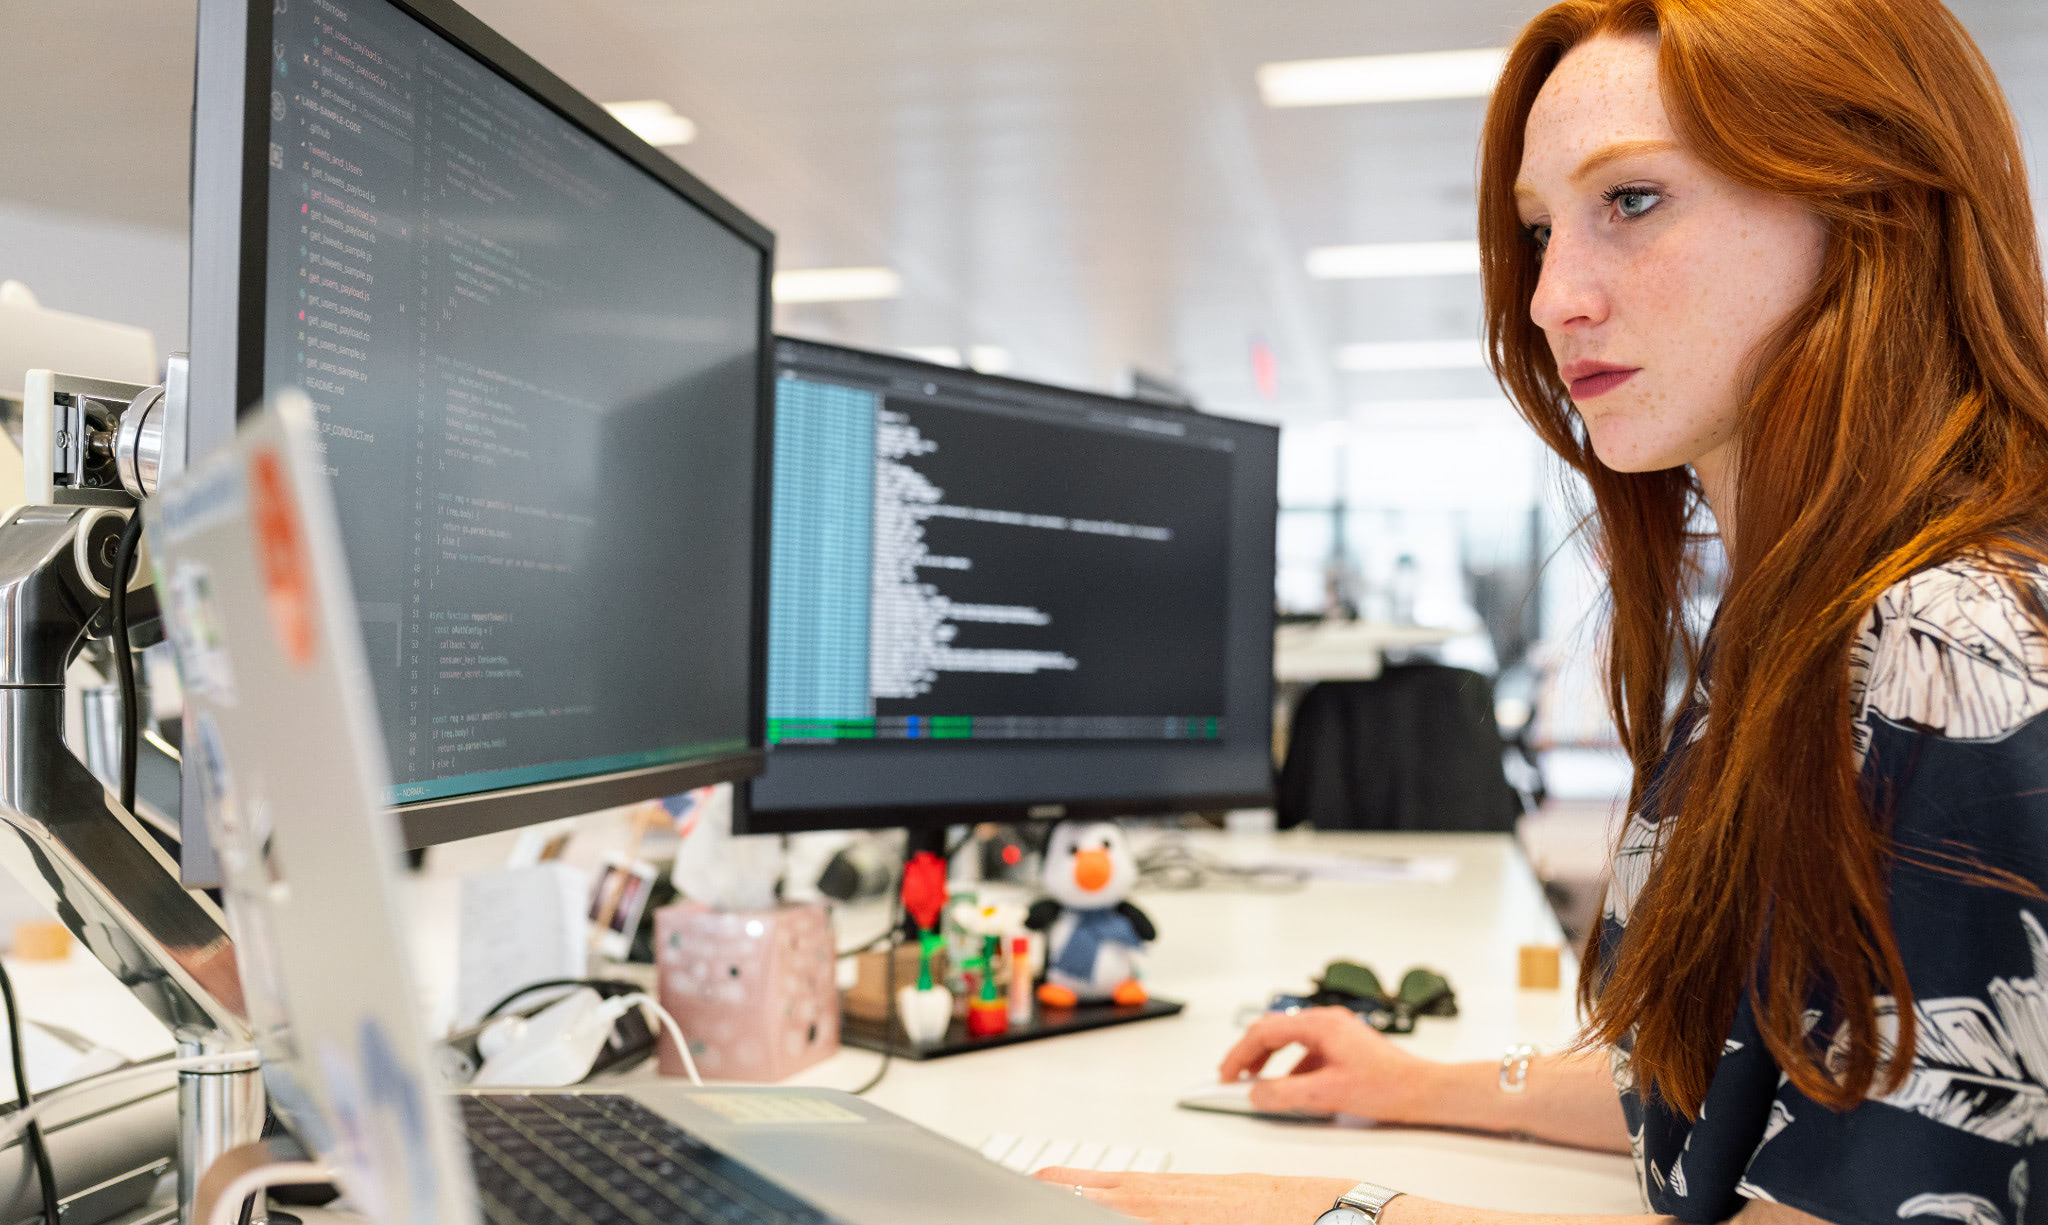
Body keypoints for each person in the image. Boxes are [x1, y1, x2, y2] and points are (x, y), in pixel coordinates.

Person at [1037, 0, 2048, 1220]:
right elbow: (1754, 1093)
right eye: (1535, 230)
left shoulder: (1956, 646)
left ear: (1866, 207)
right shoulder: (1805, 622)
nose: (1546, 297)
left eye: (1630, 200)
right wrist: (1422, 1085)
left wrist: (1331, 1213)